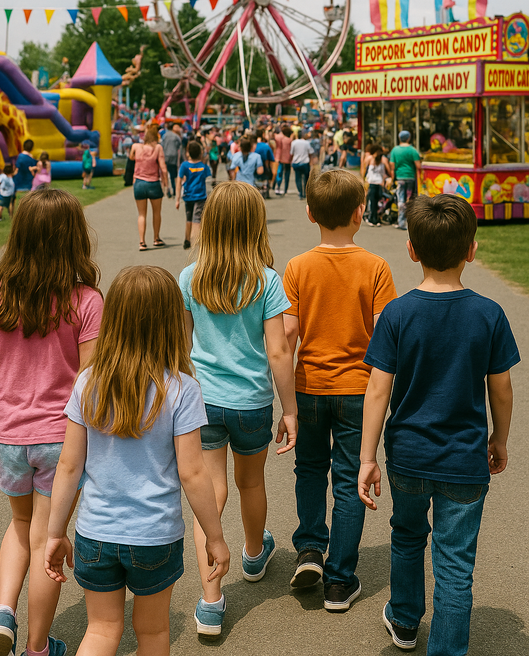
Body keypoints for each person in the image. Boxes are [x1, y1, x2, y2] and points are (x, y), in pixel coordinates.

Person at [358, 195, 519, 654]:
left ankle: (405, 620)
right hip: (464, 459)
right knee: (454, 563)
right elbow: (501, 389)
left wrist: (367, 458)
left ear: (411, 249)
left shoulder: (397, 313)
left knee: (407, 536)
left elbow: (377, 390)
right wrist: (499, 438)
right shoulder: (488, 314)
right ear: (472, 249)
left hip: (407, 456)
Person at [44, 266, 230, 656]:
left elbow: (68, 466)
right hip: (154, 536)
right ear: (170, 323)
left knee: (100, 630)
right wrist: (214, 536)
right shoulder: (182, 389)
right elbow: (194, 472)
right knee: (153, 633)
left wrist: (54, 532)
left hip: (96, 533)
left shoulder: (87, 382)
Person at [0, 189, 103, 656]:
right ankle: (38, 646)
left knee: (20, 527)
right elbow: (90, 382)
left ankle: (3, 613)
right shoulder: (86, 300)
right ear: (75, 239)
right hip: (62, 439)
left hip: (8, 436)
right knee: (47, 539)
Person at [179, 182, 297, 636]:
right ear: (255, 225)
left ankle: (210, 599)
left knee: (209, 492)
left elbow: (180, 345)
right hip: (251, 402)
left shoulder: (190, 277)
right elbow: (279, 352)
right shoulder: (267, 281)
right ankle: (252, 553)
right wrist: (290, 410)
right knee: (251, 482)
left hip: (203, 400)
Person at [282, 169, 396, 610]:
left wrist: (286, 402)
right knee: (349, 480)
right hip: (358, 390)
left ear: (310, 214)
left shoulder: (297, 267)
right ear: (359, 214)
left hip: (309, 386)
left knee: (309, 469)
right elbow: (387, 337)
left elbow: (288, 336)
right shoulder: (376, 267)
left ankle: (310, 548)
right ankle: (340, 579)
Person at [130, 127, 168, 251]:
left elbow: (131, 158)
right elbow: (163, 168)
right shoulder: (158, 148)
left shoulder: (136, 146)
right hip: (153, 183)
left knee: (142, 214)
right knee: (156, 212)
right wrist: (166, 183)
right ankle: (156, 238)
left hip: (139, 183)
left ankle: (142, 241)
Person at [176, 140, 212, 250]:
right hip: (201, 196)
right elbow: (209, 181)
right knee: (197, 219)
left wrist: (177, 199)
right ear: (200, 153)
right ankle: (196, 241)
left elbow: (179, 182)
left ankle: (187, 239)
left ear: (188, 153)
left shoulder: (184, 166)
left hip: (188, 196)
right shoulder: (204, 167)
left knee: (189, 218)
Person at [389, 130, 421, 230]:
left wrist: (392, 177)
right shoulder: (413, 150)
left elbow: (392, 166)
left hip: (400, 178)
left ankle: (401, 221)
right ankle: (409, 222)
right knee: (409, 200)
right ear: (408, 138)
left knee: (400, 199)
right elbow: (418, 166)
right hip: (411, 177)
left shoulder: (395, 150)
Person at [364, 145, 392, 227]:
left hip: (379, 183)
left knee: (379, 200)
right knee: (372, 201)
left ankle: (376, 217)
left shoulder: (383, 160)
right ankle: (372, 218)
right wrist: (364, 179)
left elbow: (385, 171)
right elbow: (364, 168)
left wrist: (385, 180)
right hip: (372, 182)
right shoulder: (369, 158)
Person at [290, 132, 314, 200]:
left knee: (298, 178)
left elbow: (291, 153)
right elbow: (310, 152)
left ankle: (300, 193)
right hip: (305, 163)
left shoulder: (294, 142)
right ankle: (306, 192)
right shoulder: (307, 143)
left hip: (296, 163)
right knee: (306, 179)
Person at [162, 122, 182, 198]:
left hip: (166, 155)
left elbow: (162, 144)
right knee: (174, 174)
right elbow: (179, 145)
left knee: (166, 173)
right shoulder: (176, 136)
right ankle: (174, 189)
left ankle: (167, 188)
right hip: (174, 156)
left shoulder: (164, 135)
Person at [273, 124, 293, 195]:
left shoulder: (278, 137)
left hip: (279, 158)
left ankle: (278, 187)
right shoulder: (290, 140)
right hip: (288, 159)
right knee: (287, 174)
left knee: (279, 173)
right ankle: (285, 189)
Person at [255, 129, 274, 199]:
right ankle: (265, 191)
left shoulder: (253, 145)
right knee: (265, 179)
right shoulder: (266, 146)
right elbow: (271, 159)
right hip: (265, 165)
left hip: (254, 167)